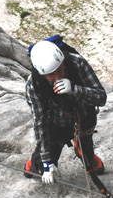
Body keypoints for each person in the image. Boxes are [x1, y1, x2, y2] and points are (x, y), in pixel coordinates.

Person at [24, 38, 106, 184]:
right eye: (51, 75)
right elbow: (39, 121)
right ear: (42, 74)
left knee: (86, 146)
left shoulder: (77, 64)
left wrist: (76, 89)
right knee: (41, 167)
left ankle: (85, 152)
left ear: (63, 62)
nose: (57, 77)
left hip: (82, 116)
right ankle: (35, 162)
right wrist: (46, 160)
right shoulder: (34, 84)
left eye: (60, 70)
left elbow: (101, 97)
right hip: (56, 123)